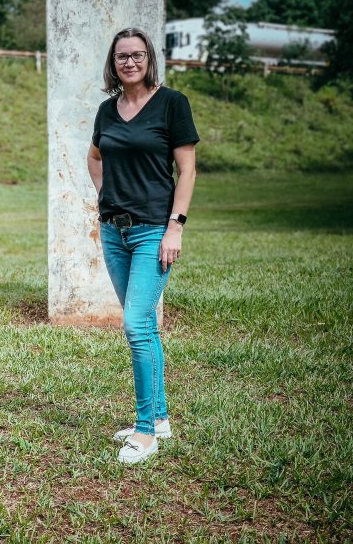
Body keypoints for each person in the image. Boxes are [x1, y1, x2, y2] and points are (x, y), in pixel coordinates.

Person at [87, 28, 199, 464]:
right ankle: (161, 418)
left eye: (136, 55)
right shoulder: (106, 110)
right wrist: (104, 195)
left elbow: (187, 171)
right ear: (113, 63)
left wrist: (176, 227)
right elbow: (95, 157)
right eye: (121, 56)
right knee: (145, 326)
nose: (129, 62)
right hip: (114, 232)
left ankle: (146, 431)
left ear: (149, 58)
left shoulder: (172, 104)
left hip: (154, 229)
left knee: (135, 325)